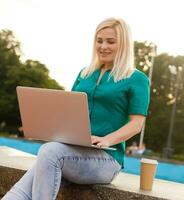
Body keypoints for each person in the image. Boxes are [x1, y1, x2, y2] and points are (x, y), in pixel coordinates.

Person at [3, 17, 150, 200]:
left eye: (110, 42)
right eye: (99, 40)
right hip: (69, 152)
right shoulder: (85, 73)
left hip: (105, 160)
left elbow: (137, 124)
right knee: (19, 192)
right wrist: (43, 127)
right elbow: (68, 111)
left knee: (49, 152)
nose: (103, 46)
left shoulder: (137, 79)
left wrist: (107, 139)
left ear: (124, 45)